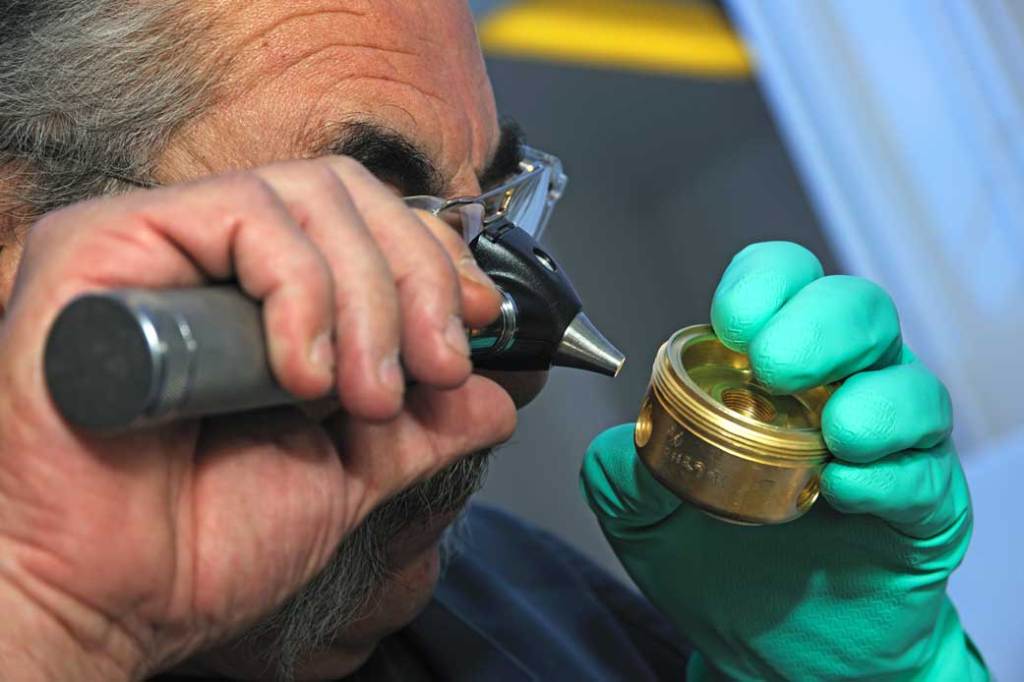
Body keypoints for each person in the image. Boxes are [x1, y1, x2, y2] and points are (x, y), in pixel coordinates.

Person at [0, 1, 988, 680]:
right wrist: (51, 629)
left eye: (491, 226)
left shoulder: (546, 616)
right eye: (373, 231)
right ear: (18, 236)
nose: (507, 380)